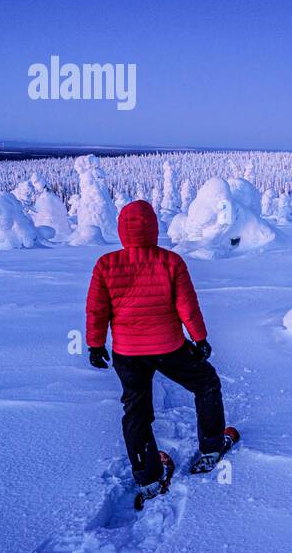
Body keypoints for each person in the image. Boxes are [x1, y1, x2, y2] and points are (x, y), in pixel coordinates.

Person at [85, 200, 235, 498]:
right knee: (206, 384)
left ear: (121, 231)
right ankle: (212, 446)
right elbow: (187, 306)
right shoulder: (171, 261)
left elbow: (97, 310)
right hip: (170, 346)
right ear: (154, 228)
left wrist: (95, 344)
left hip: (128, 353)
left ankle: (148, 476)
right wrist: (200, 338)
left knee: (136, 412)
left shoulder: (106, 264)